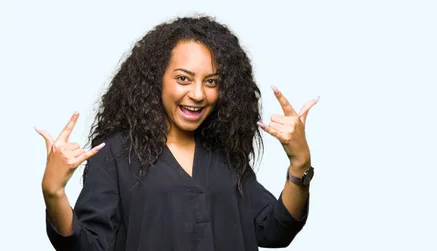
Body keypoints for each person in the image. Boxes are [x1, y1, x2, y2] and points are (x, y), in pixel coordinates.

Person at [36, 15, 318, 251]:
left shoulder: (223, 153)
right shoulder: (114, 154)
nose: (197, 94)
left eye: (211, 82)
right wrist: (54, 193)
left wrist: (300, 165)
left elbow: (273, 231)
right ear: (156, 79)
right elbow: (89, 246)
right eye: (183, 78)